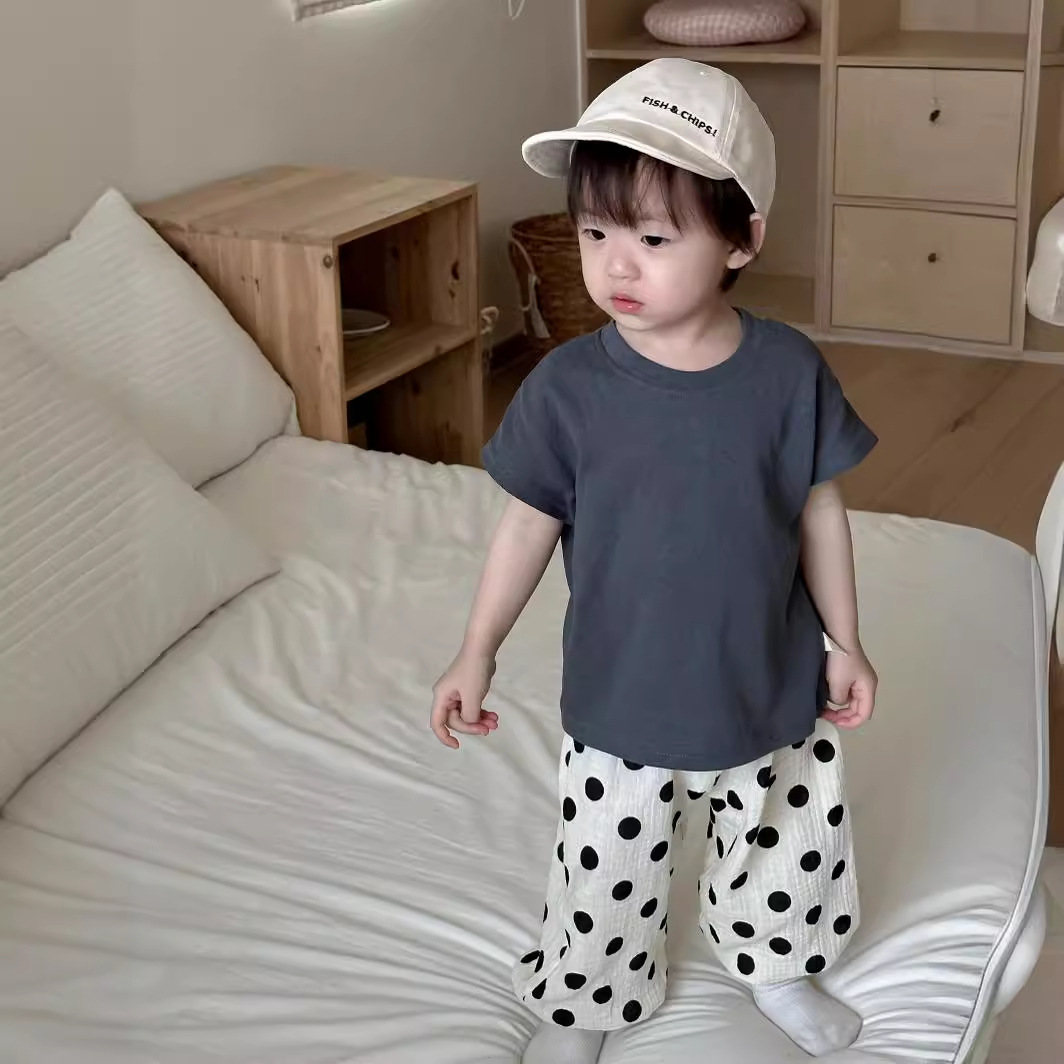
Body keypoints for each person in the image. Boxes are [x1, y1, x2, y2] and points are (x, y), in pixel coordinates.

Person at [429, 57, 878, 1064]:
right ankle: (588, 995)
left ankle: (775, 966)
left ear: (741, 240)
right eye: (595, 233)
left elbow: (819, 511)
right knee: (606, 867)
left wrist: (844, 642)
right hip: (622, 695)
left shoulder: (787, 372)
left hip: (766, 682)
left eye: (653, 238)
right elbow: (524, 527)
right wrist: (475, 649)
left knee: (781, 843)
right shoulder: (566, 388)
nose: (614, 267)